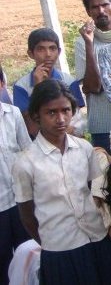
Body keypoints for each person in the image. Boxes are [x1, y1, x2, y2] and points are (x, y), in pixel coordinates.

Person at [11, 79, 111, 285]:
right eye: (51, 112)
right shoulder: (26, 163)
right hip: (60, 250)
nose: (60, 119)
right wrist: (48, 241)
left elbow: (94, 193)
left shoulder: (84, 148)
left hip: (96, 240)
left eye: (66, 110)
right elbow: (27, 215)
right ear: (36, 116)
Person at [75, 0, 111, 150]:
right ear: (89, 12)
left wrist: (109, 82)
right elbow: (93, 87)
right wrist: (90, 44)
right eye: (95, 7)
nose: (101, 11)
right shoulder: (83, 42)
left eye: (105, 4)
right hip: (102, 126)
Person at [14, 28, 85, 138]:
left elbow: (77, 124)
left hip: (70, 142)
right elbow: (32, 127)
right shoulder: (21, 86)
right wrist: (38, 86)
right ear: (30, 53)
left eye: (52, 49)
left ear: (59, 51)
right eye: (41, 49)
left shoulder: (69, 81)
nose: (48, 54)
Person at [0, 62, 32, 285]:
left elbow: (27, 152)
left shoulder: (12, 115)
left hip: (20, 200)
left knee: (28, 253)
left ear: (2, 84)